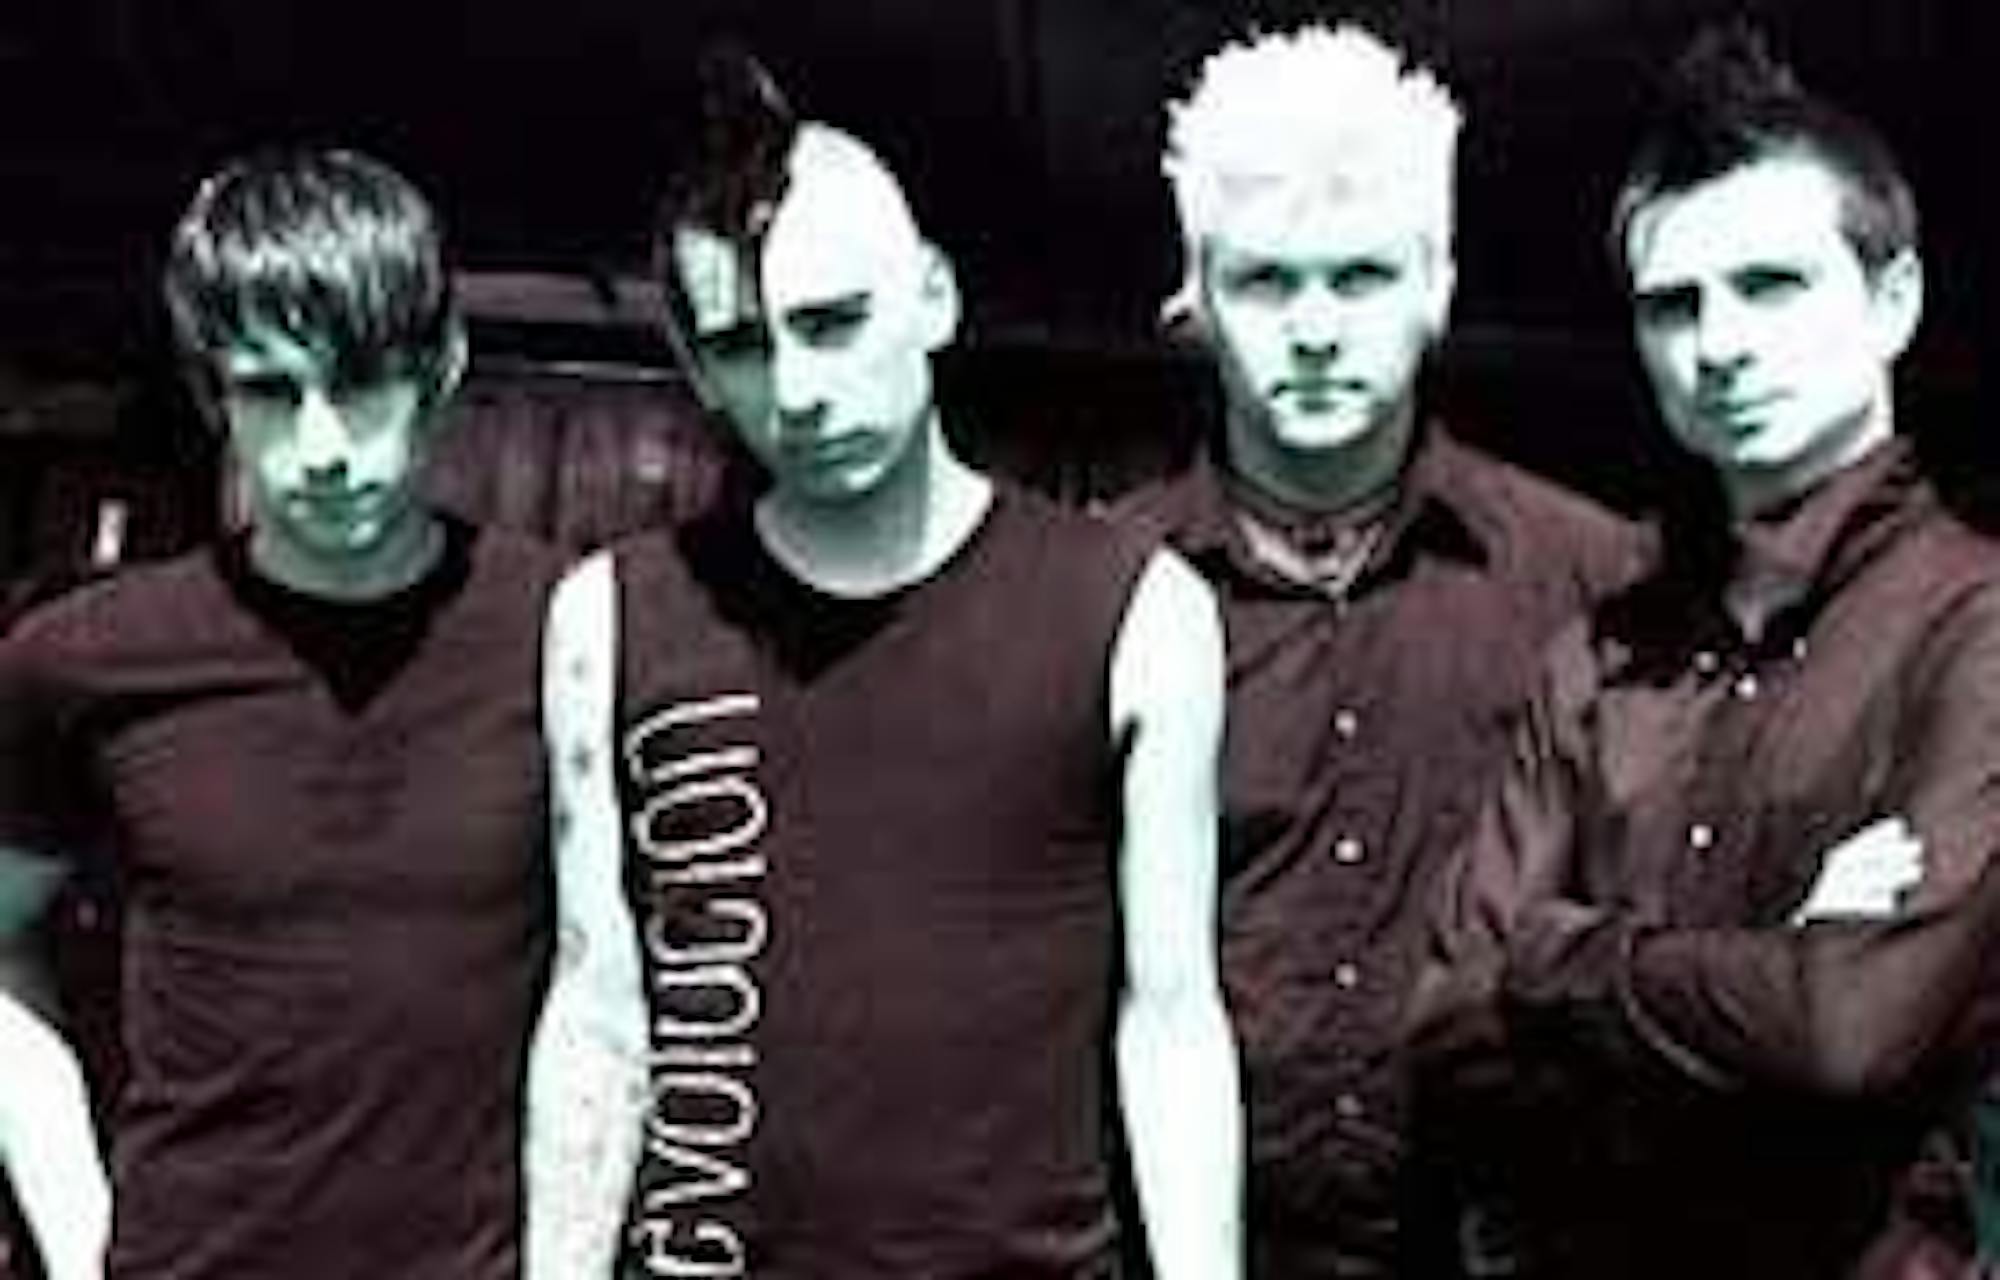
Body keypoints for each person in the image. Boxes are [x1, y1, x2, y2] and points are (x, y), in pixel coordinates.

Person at [528, 53, 1243, 1279]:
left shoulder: (1135, 612)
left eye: (833, 322)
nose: (798, 391)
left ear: (933, 297)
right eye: (744, 345)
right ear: (696, 370)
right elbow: (599, 1011)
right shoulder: (610, 617)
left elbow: (1171, 1016)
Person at [1409, 24, 2000, 1277]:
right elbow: (1443, 1022)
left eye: (1769, 285)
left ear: (1891, 301)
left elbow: (1844, 1032)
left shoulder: (1976, 624)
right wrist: (1764, 962)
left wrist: (1554, 951)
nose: (1717, 344)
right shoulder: (1604, 647)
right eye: (1671, 305)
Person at [1111, 24, 1643, 1275]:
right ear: (1195, 298)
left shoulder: (1597, 579)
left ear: (1436, 286)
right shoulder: (1100, 592)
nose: (1313, 329)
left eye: (1358, 277)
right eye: (1264, 280)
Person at [0, 148, 569, 1279]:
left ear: (441, 366)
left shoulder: (573, 630)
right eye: (269, 391)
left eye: (358, 384)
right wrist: (78, 1238)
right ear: (211, 392)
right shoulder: (85, 660)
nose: (320, 448)